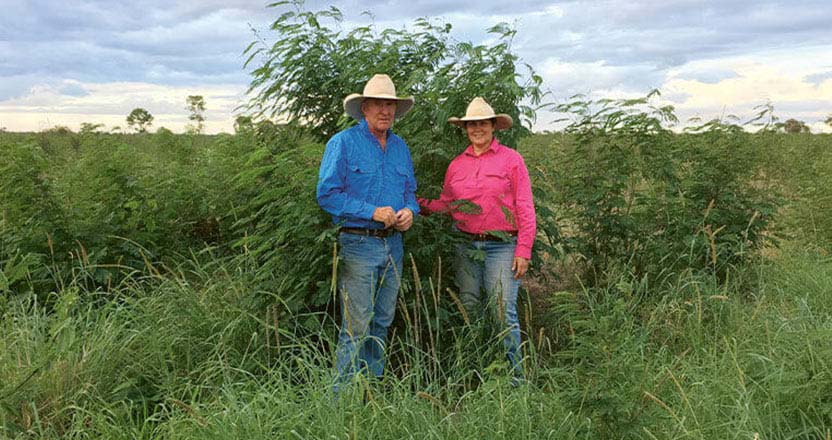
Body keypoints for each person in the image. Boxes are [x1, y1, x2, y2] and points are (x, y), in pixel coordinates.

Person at [418, 97, 536, 381]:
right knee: (469, 309)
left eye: (483, 123)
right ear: (465, 128)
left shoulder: (511, 160)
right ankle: (477, 372)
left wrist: (524, 249)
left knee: (502, 312)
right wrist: (416, 202)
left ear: (494, 126)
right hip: (465, 245)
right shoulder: (456, 165)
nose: (477, 129)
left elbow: (525, 206)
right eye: (472, 124)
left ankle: (516, 380)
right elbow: (448, 205)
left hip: (502, 246)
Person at [316, 74, 419, 390]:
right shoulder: (343, 143)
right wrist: (371, 211)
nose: (385, 111)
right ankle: (341, 400)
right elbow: (327, 194)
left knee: (383, 322)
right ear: (364, 108)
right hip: (358, 244)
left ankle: (370, 392)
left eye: (390, 105)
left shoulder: (401, 147)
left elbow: (411, 193)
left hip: (394, 247)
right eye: (378, 104)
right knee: (356, 326)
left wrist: (409, 213)